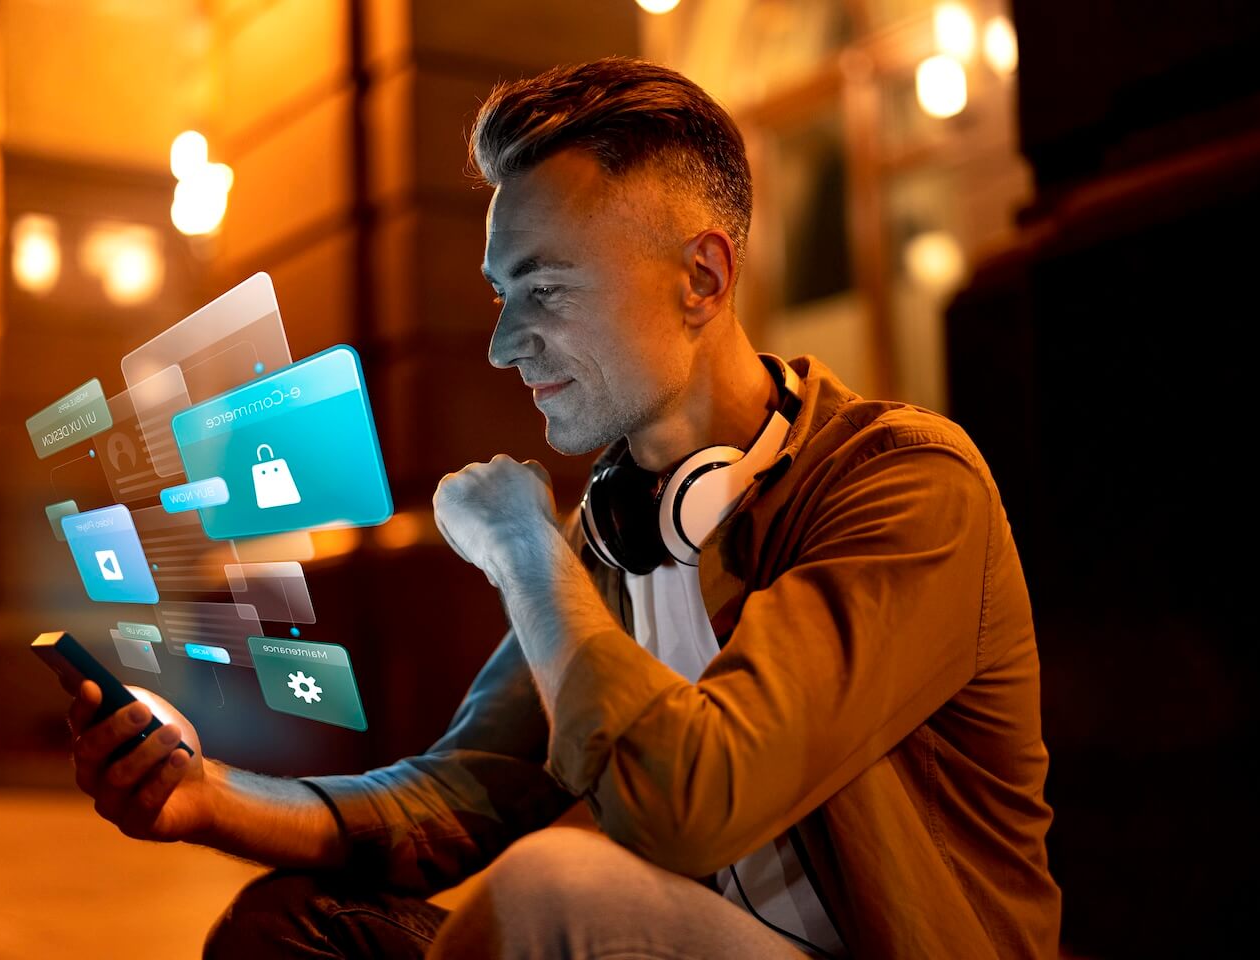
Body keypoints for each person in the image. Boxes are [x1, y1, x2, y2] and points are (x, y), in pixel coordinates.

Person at [62, 57, 1060, 958]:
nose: (505, 346)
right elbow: (458, 791)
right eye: (503, 295)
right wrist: (208, 796)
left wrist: (522, 551)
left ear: (703, 277)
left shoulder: (906, 485)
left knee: (558, 890)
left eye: (545, 290)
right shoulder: (620, 524)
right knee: (294, 926)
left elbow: (694, 805)